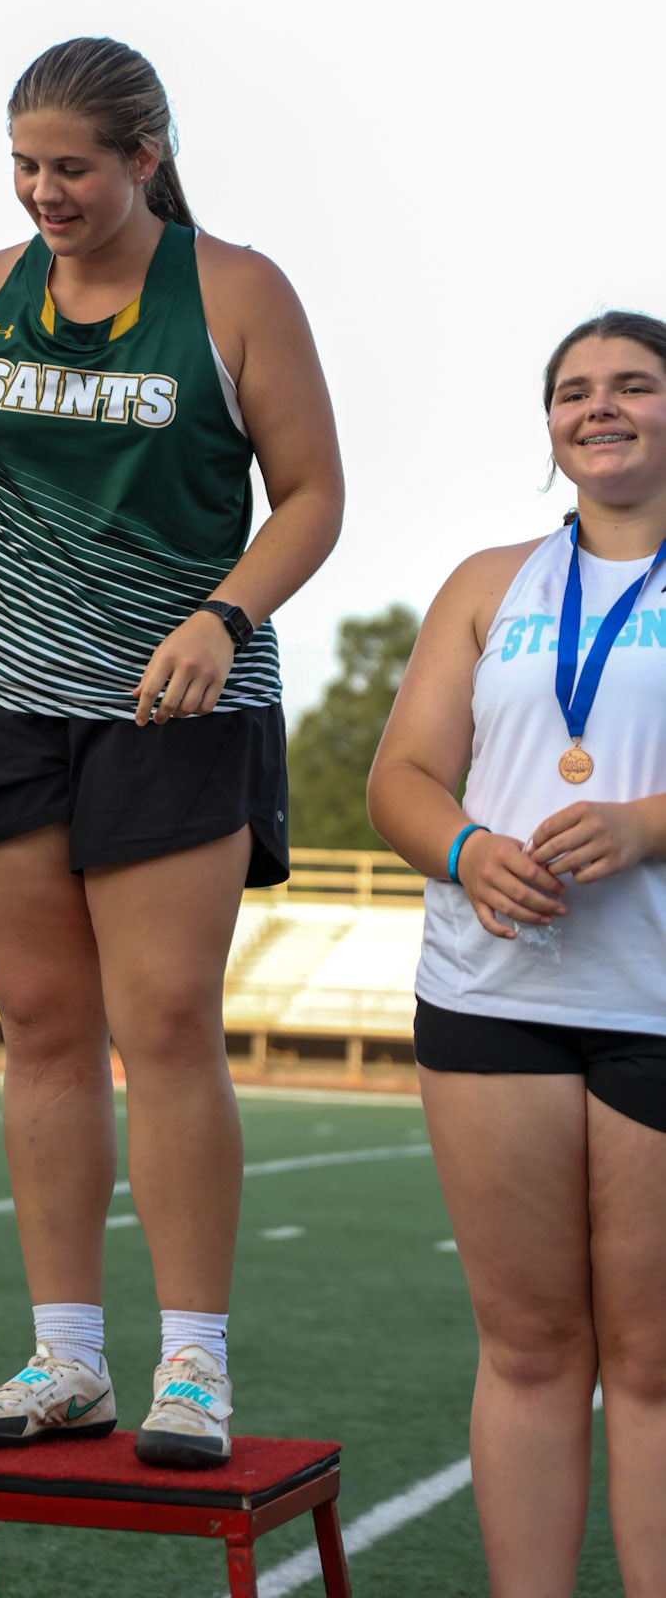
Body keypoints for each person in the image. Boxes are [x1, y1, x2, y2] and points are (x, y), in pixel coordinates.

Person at [0, 36, 343, 1466]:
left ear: (144, 157)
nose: (45, 192)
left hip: (175, 699)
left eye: (72, 167)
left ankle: (193, 1367)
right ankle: (65, 1361)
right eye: (25, 166)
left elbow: (310, 497)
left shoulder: (236, 292)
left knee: (165, 1021)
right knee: (45, 1028)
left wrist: (224, 617)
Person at [368, 311, 666, 1598]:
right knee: (532, 1347)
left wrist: (645, 824)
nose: (601, 408)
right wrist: (467, 851)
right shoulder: (491, 581)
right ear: (549, 425)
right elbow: (404, 777)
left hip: (656, 998)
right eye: (574, 392)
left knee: (655, 1360)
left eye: (634, 386)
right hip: (492, 994)